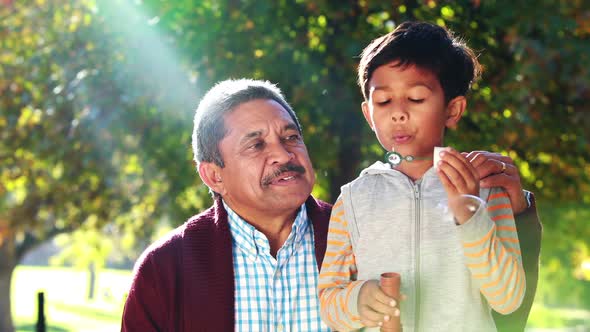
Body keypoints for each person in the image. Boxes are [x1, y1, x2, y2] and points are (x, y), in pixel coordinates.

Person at [121, 78, 540, 331]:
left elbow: (493, 310)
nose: (283, 154)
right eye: (256, 144)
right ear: (213, 174)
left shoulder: (362, 224)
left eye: (290, 137)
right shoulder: (166, 269)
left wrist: (516, 215)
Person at [318, 21, 537, 331]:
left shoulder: (485, 189)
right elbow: (329, 300)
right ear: (369, 114)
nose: (398, 113)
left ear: (452, 110)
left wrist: (470, 214)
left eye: (417, 99)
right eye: (383, 101)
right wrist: (358, 299)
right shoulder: (353, 199)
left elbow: (509, 298)